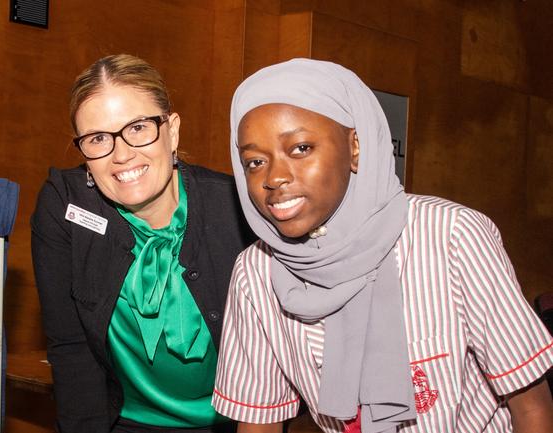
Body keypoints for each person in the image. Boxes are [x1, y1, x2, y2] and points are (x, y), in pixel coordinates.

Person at [211, 58, 553, 433]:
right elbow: (260, 421)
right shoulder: (256, 273)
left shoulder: (450, 235)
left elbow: (531, 406)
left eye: (301, 148)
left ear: (355, 147)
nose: (274, 177)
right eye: (255, 161)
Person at [31, 54, 253, 433]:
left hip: (233, 424)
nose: (121, 154)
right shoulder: (64, 205)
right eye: (98, 138)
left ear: (173, 131)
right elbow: (71, 349)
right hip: (121, 423)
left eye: (137, 128)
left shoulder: (238, 211)